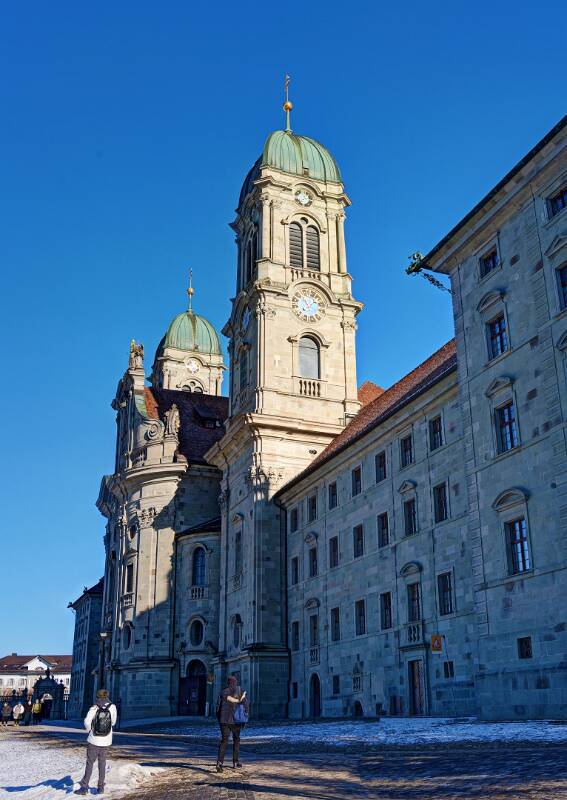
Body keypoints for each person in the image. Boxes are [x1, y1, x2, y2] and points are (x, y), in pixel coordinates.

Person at [75, 689, 117, 796]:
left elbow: (86, 722)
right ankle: (100, 787)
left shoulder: (94, 707)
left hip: (94, 739)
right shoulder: (112, 707)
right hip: (106, 740)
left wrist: (90, 730)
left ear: (97, 697)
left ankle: (84, 787)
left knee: (90, 763)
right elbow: (113, 722)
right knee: (102, 763)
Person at [215, 675, 249, 772]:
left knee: (224, 741)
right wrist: (244, 718)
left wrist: (220, 720)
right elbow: (246, 706)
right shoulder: (240, 691)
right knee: (236, 740)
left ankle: (219, 763)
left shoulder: (223, 692)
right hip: (236, 721)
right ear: (235, 682)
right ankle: (235, 761)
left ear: (228, 683)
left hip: (224, 721)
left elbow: (217, 708)